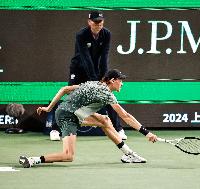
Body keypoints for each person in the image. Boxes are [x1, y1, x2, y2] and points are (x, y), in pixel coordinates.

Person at [19, 69, 157, 168]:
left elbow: (64, 89)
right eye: (120, 81)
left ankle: (128, 154)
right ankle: (34, 160)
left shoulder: (93, 83)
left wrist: (49, 108)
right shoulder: (107, 95)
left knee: (105, 120)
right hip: (68, 117)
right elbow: (126, 117)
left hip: (67, 111)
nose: (122, 83)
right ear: (112, 81)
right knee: (68, 156)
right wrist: (147, 133)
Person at [68, 10, 127, 139]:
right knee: (71, 96)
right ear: (89, 22)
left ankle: (118, 129)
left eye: (100, 21)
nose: (98, 24)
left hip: (96, 68)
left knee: (107, 95)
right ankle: (56, 129)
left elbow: (104, 57)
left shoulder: (107, 34)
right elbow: (85, 58)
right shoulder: (81, 35)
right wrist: (94, 80)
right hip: (78, 68)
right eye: (95, 22)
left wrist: (104, 77)